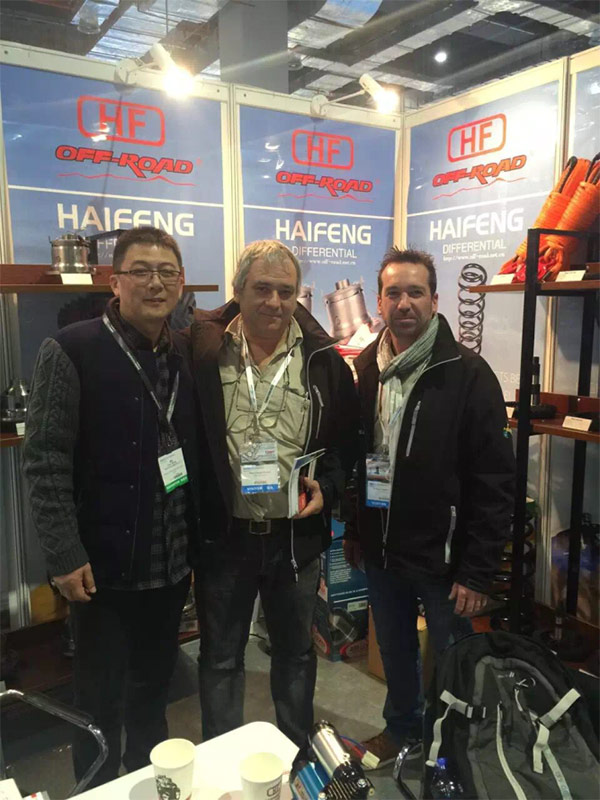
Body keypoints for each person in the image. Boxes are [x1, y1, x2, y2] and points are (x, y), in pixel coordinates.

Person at [22, 227, 201, 786]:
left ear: (180, 283)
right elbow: (44, 459)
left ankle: (149, 785)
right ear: (114, 281)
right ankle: (96, 790)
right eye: (141, 271)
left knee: (153, 694)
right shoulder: (72, 349)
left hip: (169, 567)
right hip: (102, 570)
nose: (155, 283)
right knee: (98, 706)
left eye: (167, 272)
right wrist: (63, 553)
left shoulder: (183, 353)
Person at [343, 246, 515, 765]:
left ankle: (460, 751)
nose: (404, 303)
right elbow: (359, 457)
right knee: (397, 652)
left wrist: (478, 571)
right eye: (393, 293)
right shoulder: (369, 369)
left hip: (444, 560)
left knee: (456, 660)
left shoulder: (467, 373)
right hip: (383, 550)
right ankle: (403, 732)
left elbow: (494, 480)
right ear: (378, 302)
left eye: (415, 292)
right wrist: (356, 530)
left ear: (434, 300)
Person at [184, 239, 359, 747]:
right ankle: (220, 760)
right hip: (225, 537)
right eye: (262, 289)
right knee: (220, 658)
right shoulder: (202, 351)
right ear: (237, 290)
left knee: (296, 655)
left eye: (286, 291)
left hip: (294, 539)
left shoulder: (323, 360)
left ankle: (296, 754)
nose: (275, 302)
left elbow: (345, 444)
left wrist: (329, 487)